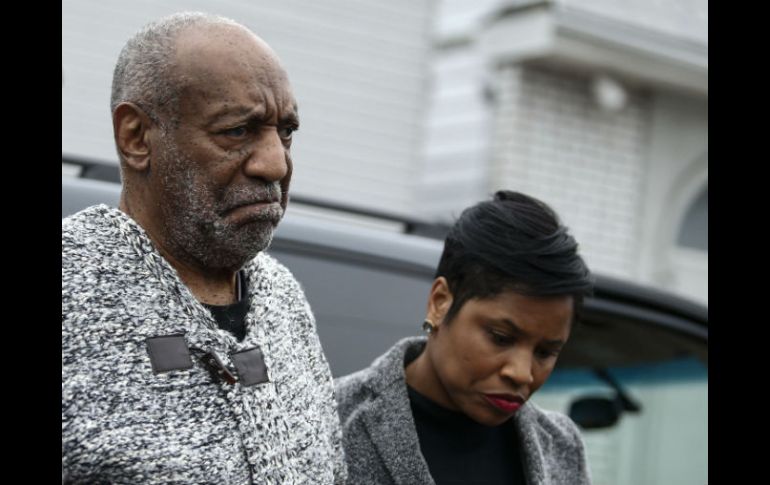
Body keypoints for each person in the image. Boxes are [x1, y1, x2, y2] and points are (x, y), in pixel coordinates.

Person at [62, 12, 345, 484]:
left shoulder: (283, 299)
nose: (276, 164)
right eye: (237, 131)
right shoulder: (71, 290)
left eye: (286, 132)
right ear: (136, 137)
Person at [335, 190, 594, 485]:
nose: (522, 373)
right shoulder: (326, 419)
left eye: (545, 352)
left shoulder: (562, 446)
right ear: (440, 302)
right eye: (501, 338)